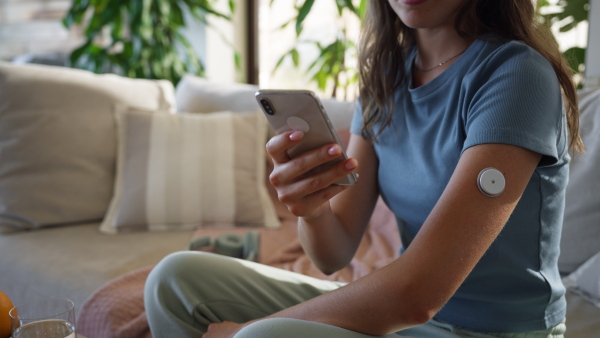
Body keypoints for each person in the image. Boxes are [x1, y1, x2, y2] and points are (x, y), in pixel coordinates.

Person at [144, 0, 583, 337]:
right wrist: (312, 208)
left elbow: (417, 296)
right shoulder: (387, 77)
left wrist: (245, 329)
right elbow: (333, 254)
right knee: (174, 280)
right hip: (412, 321)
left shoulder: (515, 76)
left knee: (262, 335)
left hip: (498, 330)